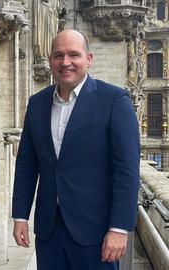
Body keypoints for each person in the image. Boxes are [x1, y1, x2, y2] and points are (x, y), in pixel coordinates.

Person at [12, 29, 140, 270]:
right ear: (50, 60)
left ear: (88, 59)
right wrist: (20, 216)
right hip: (49, 230)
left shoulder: (114, 100)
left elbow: (127, 171)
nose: (65, 62)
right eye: (58, 55)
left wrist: (119, 228)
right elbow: (27, 164)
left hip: (96, 233)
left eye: (74, 55)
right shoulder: (37, 103)